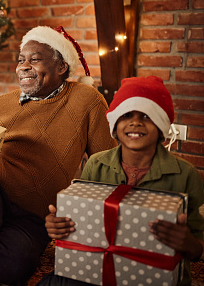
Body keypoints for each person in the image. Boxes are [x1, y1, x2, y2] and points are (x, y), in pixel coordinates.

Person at [0, 26, 117, 285]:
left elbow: (107, 162)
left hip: (36, 211)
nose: (24, 66)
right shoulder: (0, 103)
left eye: (35, 59)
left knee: (13, 267)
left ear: (61, 66)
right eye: (21, 60)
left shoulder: (86, 99)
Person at [42, 76, 204, 286]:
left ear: (161, 125)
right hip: (98, 269)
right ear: (115, 124)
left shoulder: (186, 174)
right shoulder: (96, 164)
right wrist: (59, 226)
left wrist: (188, 243)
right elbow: (82, 226)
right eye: (126, 114)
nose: (135, 122)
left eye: (146, 116)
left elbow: (199, 246)